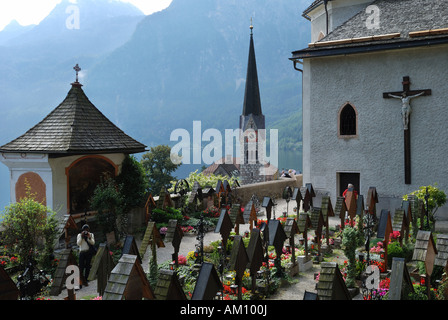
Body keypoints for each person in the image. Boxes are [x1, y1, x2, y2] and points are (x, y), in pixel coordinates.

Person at [77, 224, 95, 288]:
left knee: (87, 267)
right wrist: (82, 237)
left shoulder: (91, 234)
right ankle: (80, 281)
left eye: (87, 230)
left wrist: (89, 237)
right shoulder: (79, 235)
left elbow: (93, 243)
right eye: (85, 230)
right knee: (81, 267)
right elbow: (78, 243)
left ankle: (86, 279)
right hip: (82, 252)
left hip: (88, 252)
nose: (85, 231)